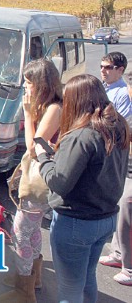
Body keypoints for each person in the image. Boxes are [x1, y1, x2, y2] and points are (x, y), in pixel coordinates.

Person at [36, 74, 130, 302]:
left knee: (69, 288)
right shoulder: (118, 125)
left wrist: (43, 158)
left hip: (76, 222)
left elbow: (59, 182)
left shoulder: (82, 136)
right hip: (105, 219)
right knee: (87, 277)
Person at [0, 59, 62, 303]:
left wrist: (27, 113)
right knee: (32, 229)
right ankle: (32, 277)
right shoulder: (47, 106)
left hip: (40, 179)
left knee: (21, 231)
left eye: (28, 82)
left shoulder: (55, 108)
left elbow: (35, 146)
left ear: (41, 84)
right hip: (37, 176)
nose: (25, 87)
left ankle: (24, 289)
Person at [99, 70, 132, 286]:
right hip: (127, 166)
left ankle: (129, 268)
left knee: (128, 211)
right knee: (122, 208)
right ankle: (118, 253)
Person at [100, 51, 132, 122]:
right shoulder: (100, 87)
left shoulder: (124, 94)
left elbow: (121, 123)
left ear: (120, 70)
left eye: (108, 67)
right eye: (101, 66)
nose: (102, 70)